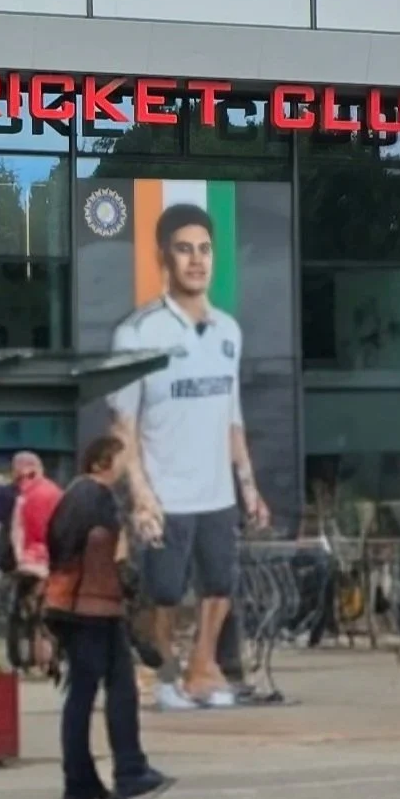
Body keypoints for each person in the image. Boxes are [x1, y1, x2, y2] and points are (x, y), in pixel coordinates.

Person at [109, 205, 268, 709]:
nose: (196, 260)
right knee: (165, 594)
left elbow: (232, 418)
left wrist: (249, 487)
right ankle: (163, 675)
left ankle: (203, 669)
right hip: (166, 494)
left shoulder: (228, 332)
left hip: (216, 494)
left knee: (219, 585)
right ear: (164, 257)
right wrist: (141, 496)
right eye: (184, 249)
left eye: (204, 249)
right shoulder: (137, 334)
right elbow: (123, 427)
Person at [45, 436, 174, 799]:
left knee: (82, 695)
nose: (124, 467)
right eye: (120, 459)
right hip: (95, 608)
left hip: (76, 607)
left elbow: (59, 543)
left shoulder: (73, 493)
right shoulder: (97, 497)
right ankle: (128, 773)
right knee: (118, 689)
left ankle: (81, 785)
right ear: (104, 461)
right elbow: (98, 545)